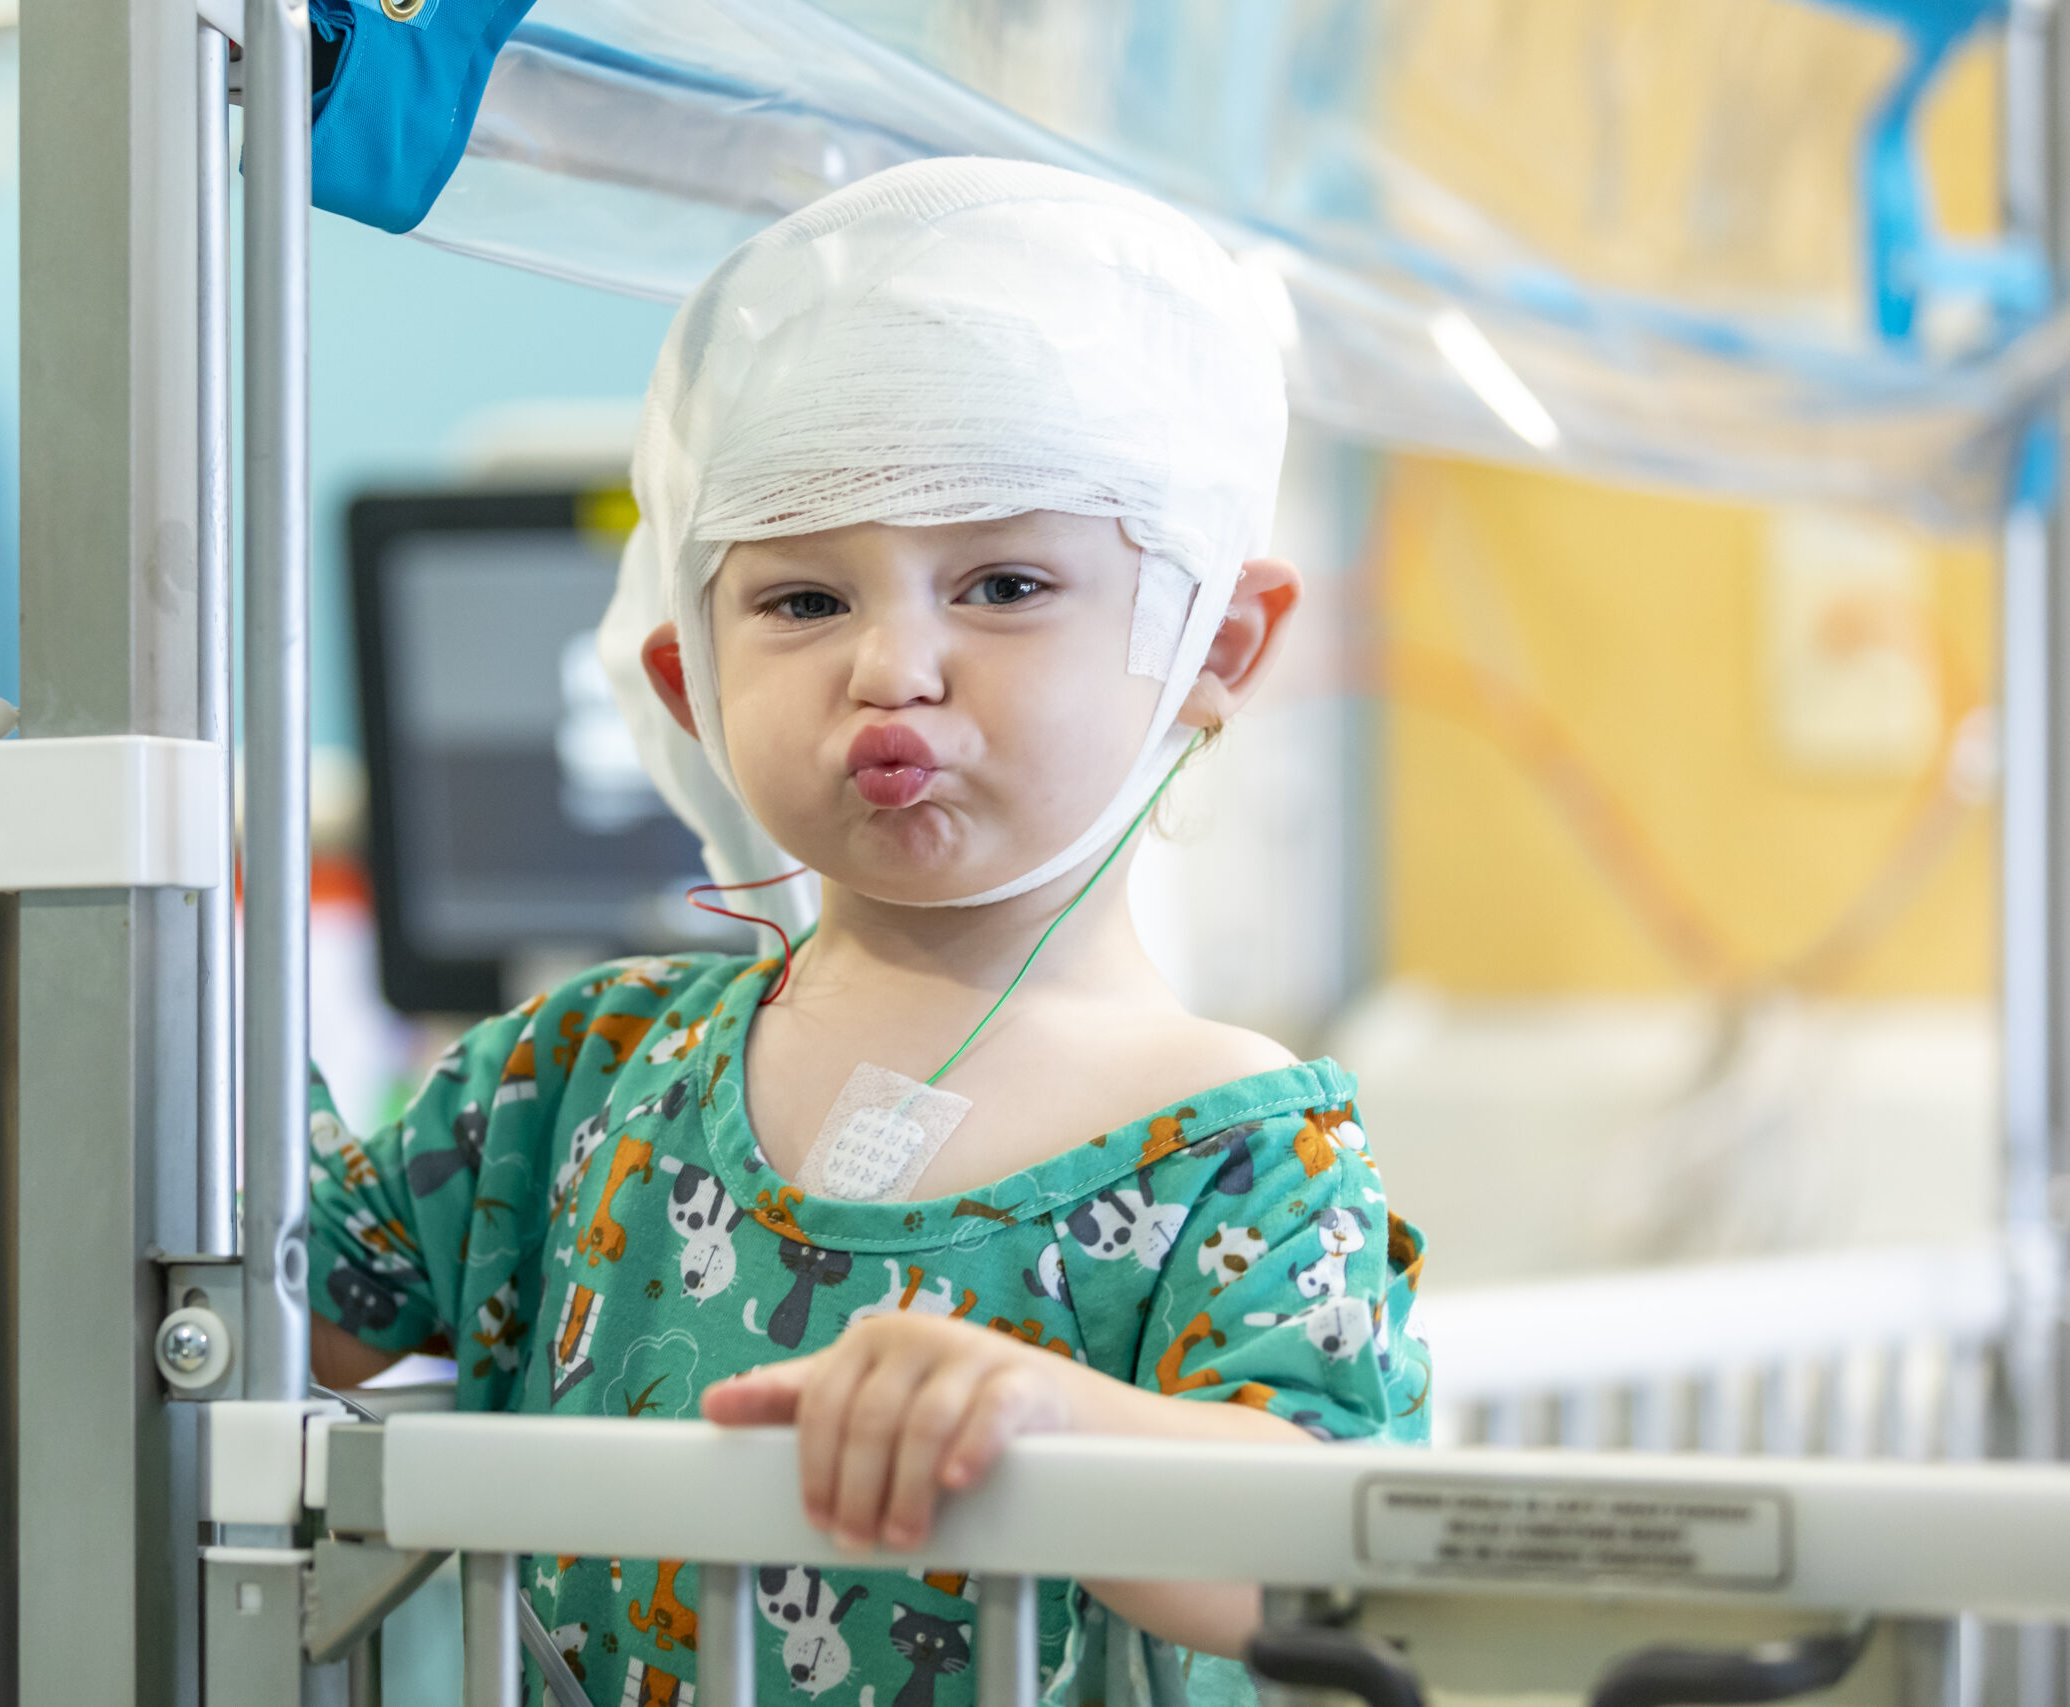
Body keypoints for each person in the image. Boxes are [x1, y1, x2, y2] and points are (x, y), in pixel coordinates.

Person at [307, 157, 1430, 1706]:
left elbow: (1336, 1573)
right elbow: (276, 1313)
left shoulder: (1237, 1152)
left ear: (1214, 642)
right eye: (804, 604)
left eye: (1006, 583)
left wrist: (1055, 1434)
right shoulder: (572, 1079)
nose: (895, 665)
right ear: (690, 679)